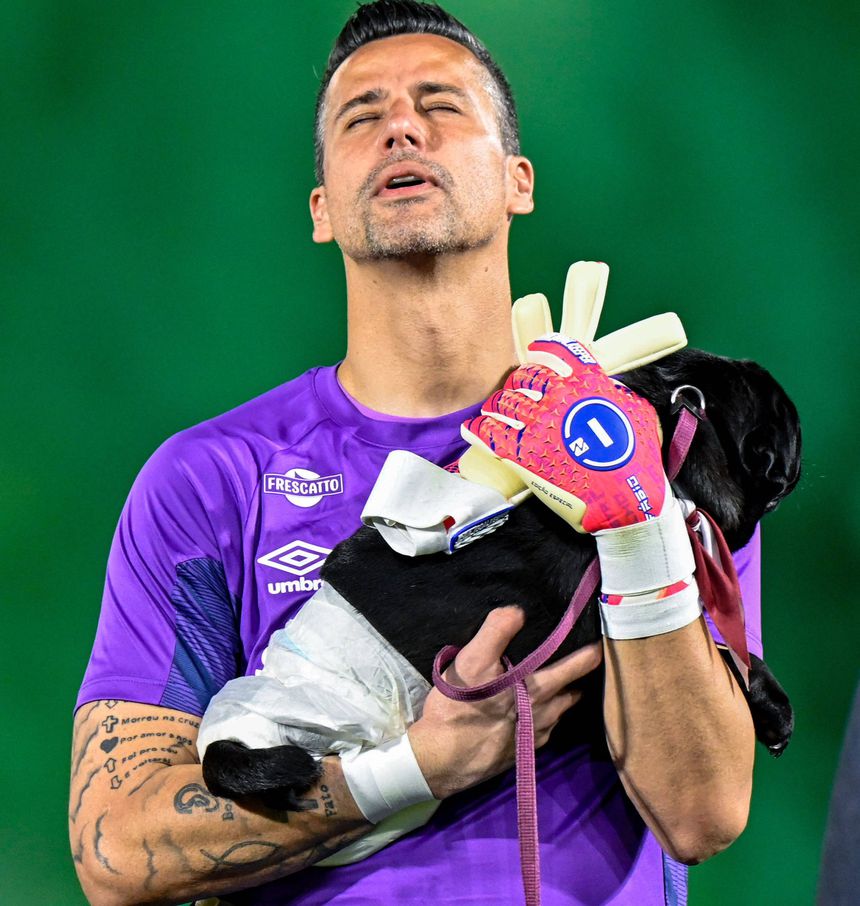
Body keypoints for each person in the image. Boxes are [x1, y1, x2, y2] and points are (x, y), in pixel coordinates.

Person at [69, 2, 759, 904]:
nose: (401, 125)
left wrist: (638, 525)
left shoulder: (663, 448)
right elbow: (117, 850)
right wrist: (412, 767)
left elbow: (703, 813)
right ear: (321, 210)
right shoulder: (208, 480)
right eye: (362, 117)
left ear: (519, 180)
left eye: (441, 105)